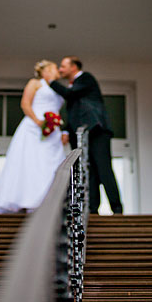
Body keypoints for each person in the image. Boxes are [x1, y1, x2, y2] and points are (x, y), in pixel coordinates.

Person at [42, 56, 123, 214]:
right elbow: (73, 112)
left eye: (63, 66)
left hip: (97, 130)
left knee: (104, 168)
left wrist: (51, 82)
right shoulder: (75, 87)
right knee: (89, 170)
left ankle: (117, 209)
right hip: (84, 133)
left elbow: (70, 94)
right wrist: (66, 130)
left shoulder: (86, 78)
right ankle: (93, 209)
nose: (60, 69)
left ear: (74, 67)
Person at [0, 59, 66, 216]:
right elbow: (25, 104)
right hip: (34, 126)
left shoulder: (59, 88)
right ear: (45, 71)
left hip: (53, 130)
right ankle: (27, 200)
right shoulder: (35, 83)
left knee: (51, 164)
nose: (57, 71)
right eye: (54, 68)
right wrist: (38, 121)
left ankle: (49, 201)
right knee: (31, 162)